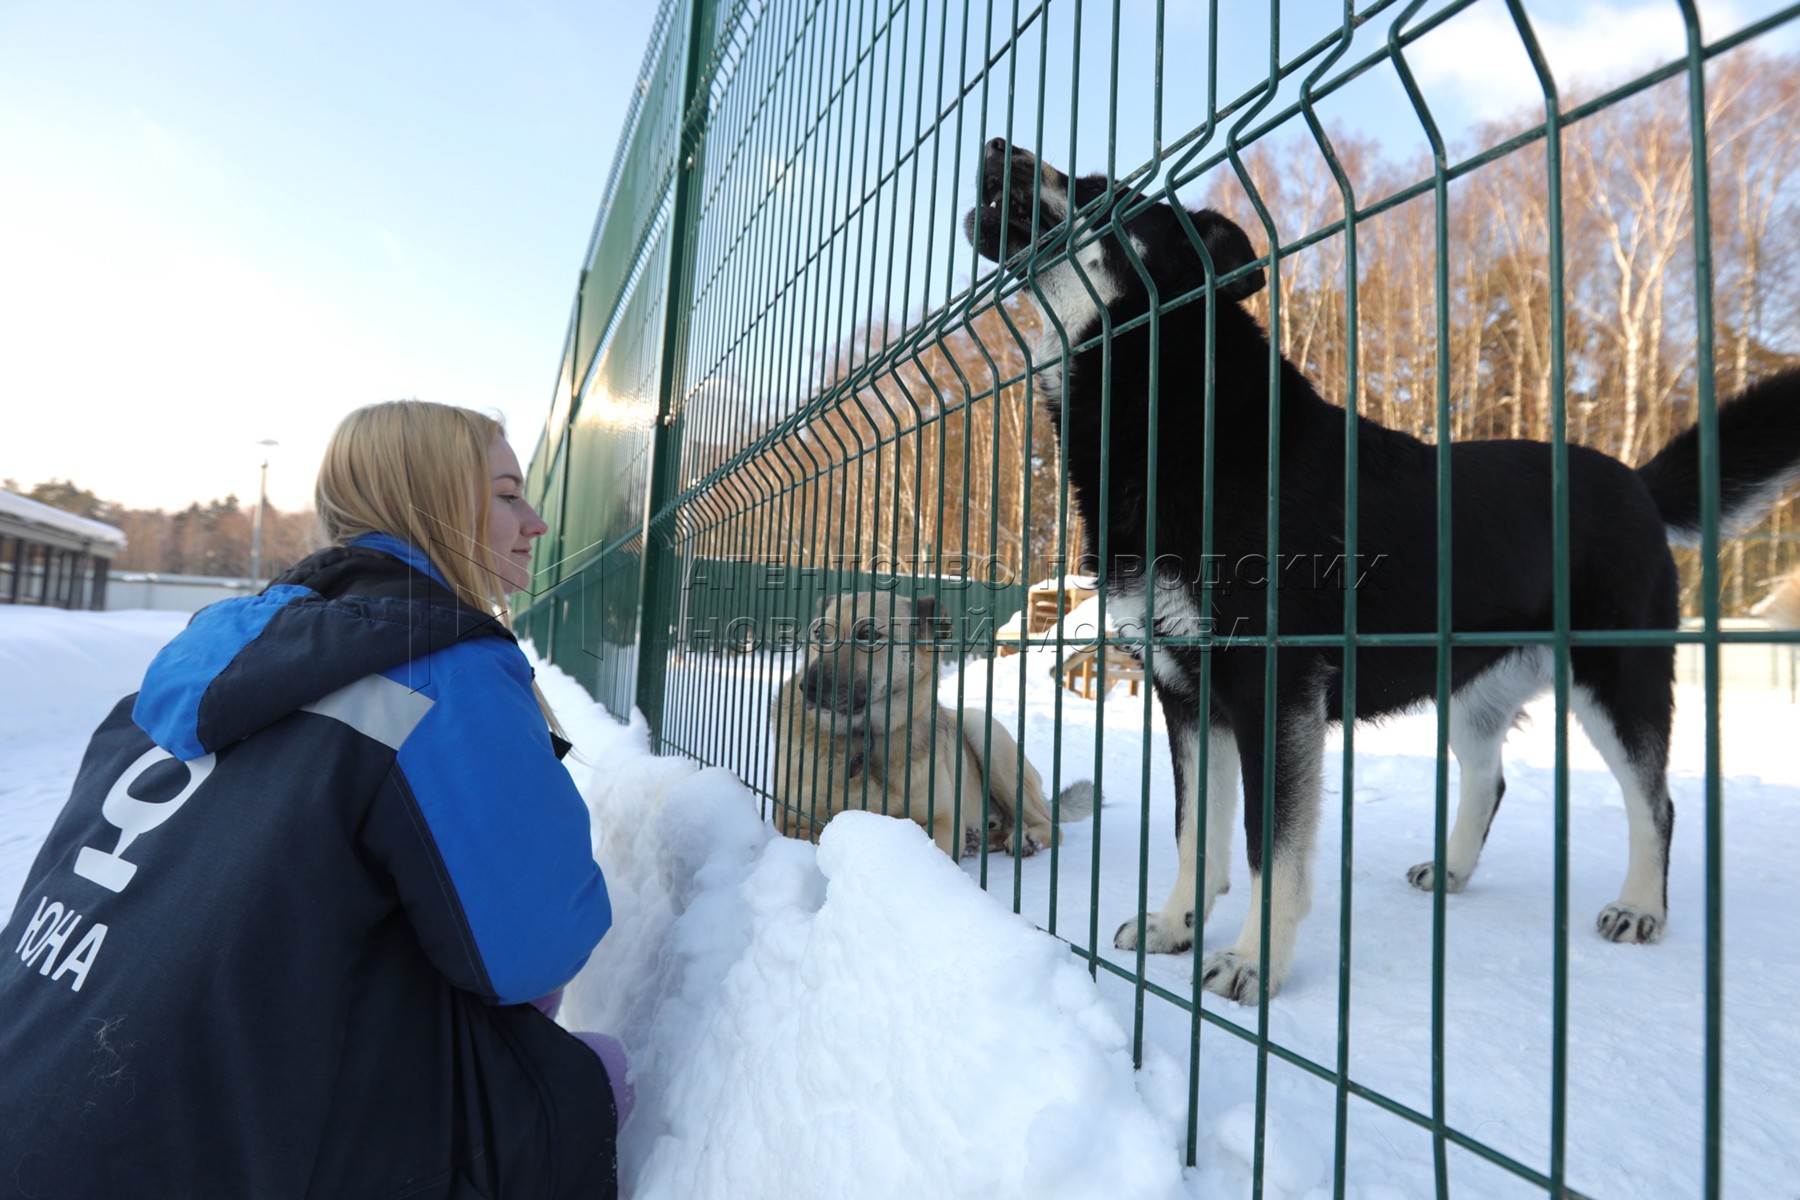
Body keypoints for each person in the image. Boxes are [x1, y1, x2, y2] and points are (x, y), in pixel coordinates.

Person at [0, 400, 624, 1198]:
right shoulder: (445, 667)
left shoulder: (218, 650)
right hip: (191, 1153)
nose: (533, 522)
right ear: (429, 504)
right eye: (507, 495)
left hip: (45, 1103)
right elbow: (536, 953)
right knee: (587, 1077)